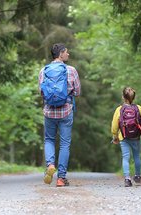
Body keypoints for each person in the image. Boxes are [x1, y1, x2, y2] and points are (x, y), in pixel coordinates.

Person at [38, 43, 81, 187]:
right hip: (66, 110)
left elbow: (41, 92)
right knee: (64, 144)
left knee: (49, 139)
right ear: (61, 54)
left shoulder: (44, 71)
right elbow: (77, 92)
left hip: (49, 111)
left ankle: (50, 165)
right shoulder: (71, 70)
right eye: (66, 52)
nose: (68, 54)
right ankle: (61, 178)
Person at [111, 87, 141, 187]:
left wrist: (115, 137)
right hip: (136, 137)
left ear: (123, 97)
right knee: (136, 156)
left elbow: (114, 126)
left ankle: (127, 179)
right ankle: (137, 176)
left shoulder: (119, 109)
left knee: (125, 158)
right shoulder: (139, 108)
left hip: (124, 137)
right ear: (134, 97)